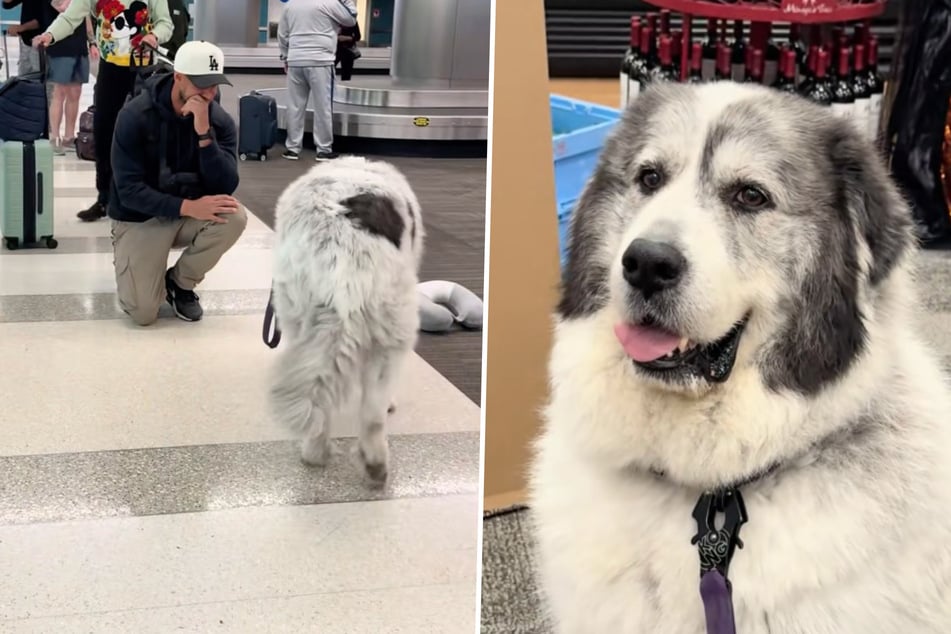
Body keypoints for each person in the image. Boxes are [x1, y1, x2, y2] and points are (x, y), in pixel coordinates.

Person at [107, 40, 246, 326]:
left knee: (234, 216)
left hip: (186, 213)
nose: (208, 93)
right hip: (141, 218)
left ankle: (180, 283)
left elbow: (227, 183)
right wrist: (187, 207)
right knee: (144, 313)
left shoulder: (219, 122)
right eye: (201, 84)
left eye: (214, 85)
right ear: (178, 76)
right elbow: (129, 191)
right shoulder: (134, 117)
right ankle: (132, 259)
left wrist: (204, 135)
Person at [32, 0, 173, 222]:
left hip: (143, 68)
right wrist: (49, 35)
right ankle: (105, 198)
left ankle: (147, 197)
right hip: (110, 68)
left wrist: (154, 36)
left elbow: (166, 24)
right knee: (105, 130)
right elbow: (71, 17)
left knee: (146, 132)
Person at [278, 0, 357, 161]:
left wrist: (285, 57)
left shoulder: (291, 4)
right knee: (323, 106)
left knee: (294, 106)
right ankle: (324, 150)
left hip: (296, 60)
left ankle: (292, 149)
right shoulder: (330, 3)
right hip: (320, 61)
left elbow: (282, 35)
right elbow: (351, 19)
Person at [46, 0, 97, 154]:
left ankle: (69, 136)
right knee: (59, 91)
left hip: (79, 45)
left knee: (75, 91)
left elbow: (85, 14)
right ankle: (54, 136)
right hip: (60, 45)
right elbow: (62, 7)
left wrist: (92, 41)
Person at [3, 0, 56, 102]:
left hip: (42, 45)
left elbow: (42, 20)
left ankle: (47, 116)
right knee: (23, 82)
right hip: (26, 43)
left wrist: (21, 28)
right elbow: (7, 3)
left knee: (44, 86)